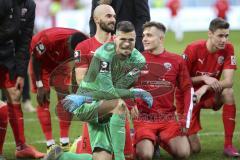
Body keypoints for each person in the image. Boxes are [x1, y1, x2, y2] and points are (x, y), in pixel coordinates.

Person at [44, 21, 153, 160]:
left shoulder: (138, 60)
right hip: (86, 103)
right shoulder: (103, 55)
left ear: (136, 40)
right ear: (114, 38)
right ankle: (120, 158)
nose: (127, 43)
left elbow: (122, 86)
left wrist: (132, 94)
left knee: (102, 158)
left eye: (131, 40)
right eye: (123, 39)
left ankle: (61, 157)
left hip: (106, 106)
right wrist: (135, 93)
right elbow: (108, 91)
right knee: (118, 105)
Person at [74, 4, 134, 159]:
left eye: (114, 16)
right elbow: (81, 79)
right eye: (108, 16)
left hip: (119, 107)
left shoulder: (121, 44)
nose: (113, 19)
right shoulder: (83, 46)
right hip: (97, 107)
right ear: (96, 19)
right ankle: (75, 148)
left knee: (128, 156)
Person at [175, 18, 238, 157]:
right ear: (210, 33)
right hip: (188, 97)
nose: (224, 40)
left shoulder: (228, 49)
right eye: (220, 36)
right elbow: (180, 80)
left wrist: (204, 88)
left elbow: (228, 81)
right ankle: (161, 137)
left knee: (228, 92)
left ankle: (228, 145)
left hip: (208, 95)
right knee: (194, 149)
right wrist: (203, 78)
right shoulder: (193, 48)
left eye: (226, 35)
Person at [132, 21, 193, 160]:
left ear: (161, 38)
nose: (144, 39)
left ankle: (158, 139)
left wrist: (184, 119)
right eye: (143, 35)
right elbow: (124, 86)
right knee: (146, 155)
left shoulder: (176, 60)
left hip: (168, 118)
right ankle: (143, 138)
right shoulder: (136, 60)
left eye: (149, 35)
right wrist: (130, 102)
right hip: (144, 118)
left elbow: (187, 89)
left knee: (183, 153)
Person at [29, 27, 88, 151]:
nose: (73, 55)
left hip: (60, 64)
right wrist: (39, 85)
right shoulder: (48, 40)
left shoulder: (83, 42)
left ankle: (64, 142)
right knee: (44, 99)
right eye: (72, 52)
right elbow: (35, 59)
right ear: (67, 44)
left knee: (66, 98)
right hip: (41, 64)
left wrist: (76, 84)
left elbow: (79, 63)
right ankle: (50, 144)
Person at [0, 0, 45, 158]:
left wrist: (20, 73)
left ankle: (21, 147)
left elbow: (25, 41)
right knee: (1, 109)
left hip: (6, 54)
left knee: (15, 95)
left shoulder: (30, 6)